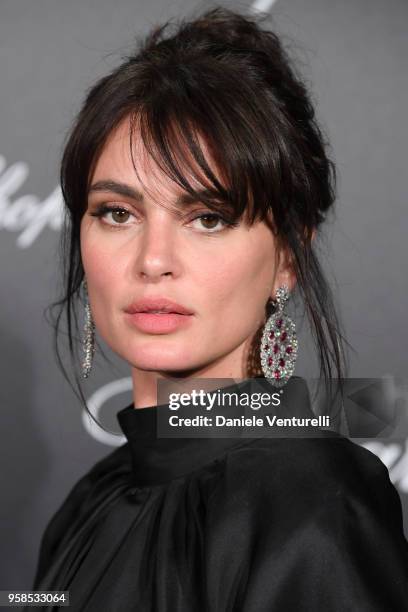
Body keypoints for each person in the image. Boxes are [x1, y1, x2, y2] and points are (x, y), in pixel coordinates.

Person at [28, 6, 408, 611]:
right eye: (117, 213)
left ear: (287, 256)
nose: (153, 260)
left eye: (208, 218)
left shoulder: (311, 505)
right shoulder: (88, 503)